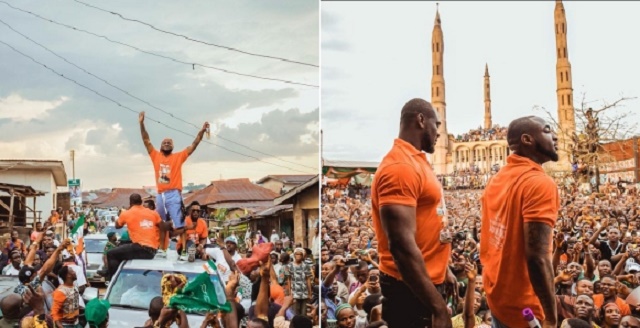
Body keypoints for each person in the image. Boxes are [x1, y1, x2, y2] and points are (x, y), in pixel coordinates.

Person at [371, 98, 451, 327]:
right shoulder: (400, 168)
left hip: (423, 282)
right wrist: (438, 308)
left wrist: (444, 269)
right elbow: (401, 247)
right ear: (421, 120)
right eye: (437, 125)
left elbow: (427, 220)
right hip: (409, 289)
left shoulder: (417, 160)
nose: (438, 133)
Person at [480, 116, 560, 328]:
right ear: (527, 139)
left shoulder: (498, 178)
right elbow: (537, 257)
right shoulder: (538, 183)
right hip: (525, 310)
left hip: (498, 295)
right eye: (547, 130)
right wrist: (551, 317)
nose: (555, 136)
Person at [139, 111, 209, 261]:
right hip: (160, 195)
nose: (167, 144)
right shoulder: (155, 156)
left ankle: (184, 251)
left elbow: (194, 145)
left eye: (169, 142)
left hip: (174, 194)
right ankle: (163, 250)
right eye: (164, 142)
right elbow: (146, 140)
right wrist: (141, 124)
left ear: (173, 146)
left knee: (180, 225)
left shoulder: (178, 157)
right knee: (163, 224)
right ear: (160, 146)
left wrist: (202, 131)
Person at [101, 193, 161, 281]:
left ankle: (113, 279)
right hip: (152, 250)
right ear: (141, 202)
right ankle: (108, 271)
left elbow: (117, 225)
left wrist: (127, 211)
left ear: (130, 203)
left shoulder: (127, 213)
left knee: (111, 254)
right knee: (122, 250)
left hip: (142, 248)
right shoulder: (152, 213)